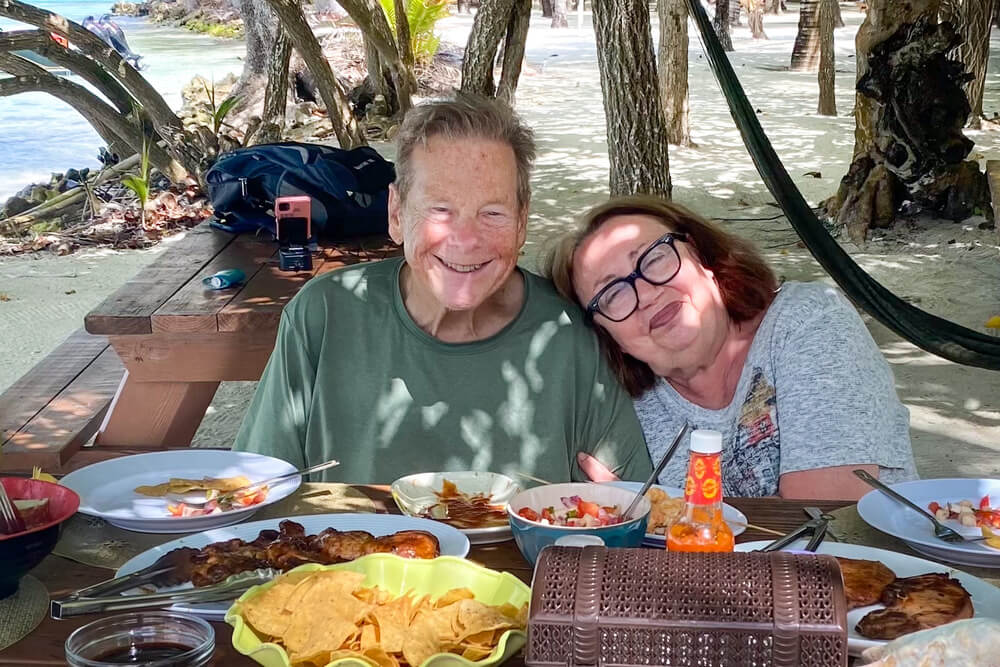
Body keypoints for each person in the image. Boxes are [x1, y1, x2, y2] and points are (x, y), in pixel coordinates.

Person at [232, 95, 652, 484]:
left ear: (522, 222)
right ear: (396, 213)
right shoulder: (324, 315)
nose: (465, 239)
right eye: (440, 210)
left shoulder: (570, 333)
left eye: (492, 212)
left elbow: (628, 507)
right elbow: (259, 489)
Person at [544, 195, 917, 500]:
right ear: (608, 334)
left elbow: (822, 527)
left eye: (654, 258)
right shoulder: (629, 410)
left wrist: (654, 517)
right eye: (613, 293)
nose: (645, 294)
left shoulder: (806, 322)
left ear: (700, 257)